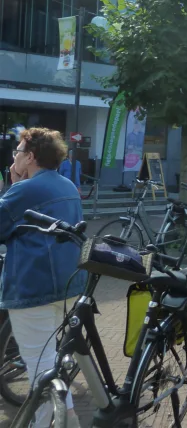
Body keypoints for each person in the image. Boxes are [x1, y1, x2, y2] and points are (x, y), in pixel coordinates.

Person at [1, 128, 85, 427]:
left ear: (31, 156)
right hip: (69, 285)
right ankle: (70, 419)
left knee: (40, 368)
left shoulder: (24, 189)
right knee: (49, 361)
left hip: (34, 287)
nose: (15, 157)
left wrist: (12, 185)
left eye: (18, 152)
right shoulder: (66, 185)